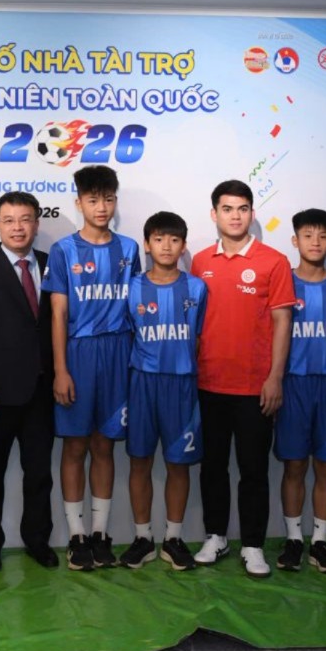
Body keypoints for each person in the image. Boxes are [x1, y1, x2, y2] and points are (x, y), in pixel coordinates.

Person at [190, 180, 294, 578]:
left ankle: (253, 545)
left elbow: (282, 322)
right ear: (214, 214)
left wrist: (275, 377)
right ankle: (215, 536)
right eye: (228, 209)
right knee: (212, 467)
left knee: (253, 470)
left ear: (252, 213)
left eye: (243, 208)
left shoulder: (274, 261)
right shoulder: (200, 261)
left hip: (255, 387)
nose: (236, 216)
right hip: (208, 384)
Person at [45, 164, 139, 570]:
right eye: (93, 199)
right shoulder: (63, 251)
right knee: (75, 446)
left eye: (108, 199)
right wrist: (61, 370)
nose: (101, 207)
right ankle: (76, 535)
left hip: (118, 353)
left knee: (104, 445)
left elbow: (138, 308)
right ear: (78, 202)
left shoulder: (130, 249)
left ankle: (100, 533)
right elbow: (58, 314)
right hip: (79, 355)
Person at [0, 191, 58, 572]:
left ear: (36, 223)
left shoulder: (52, 265)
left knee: (39, 473)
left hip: (42, 391)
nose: (17, 228)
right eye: (9, 220)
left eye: (25, 219)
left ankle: (38, 540)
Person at [119, 211, 207, 572]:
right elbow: (127, 335)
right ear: (147, 245)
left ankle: (173, 538)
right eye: (158, 239)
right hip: (143, 383)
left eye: (174, 239)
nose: (166, 246)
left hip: (182, 385)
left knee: (178, 464)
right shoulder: (133, 287)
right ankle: (143, 538)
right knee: (139, 461)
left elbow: (200, 339)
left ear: (183, 246)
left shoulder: (197, 288)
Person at [274, 208, 326, 575]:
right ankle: (294, 539)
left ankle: (320, 542)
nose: (315, 242)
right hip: (294, 384)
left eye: (322, 236)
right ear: (295, 240)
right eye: (308, 235)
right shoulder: (283, 284)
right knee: (294, 464)